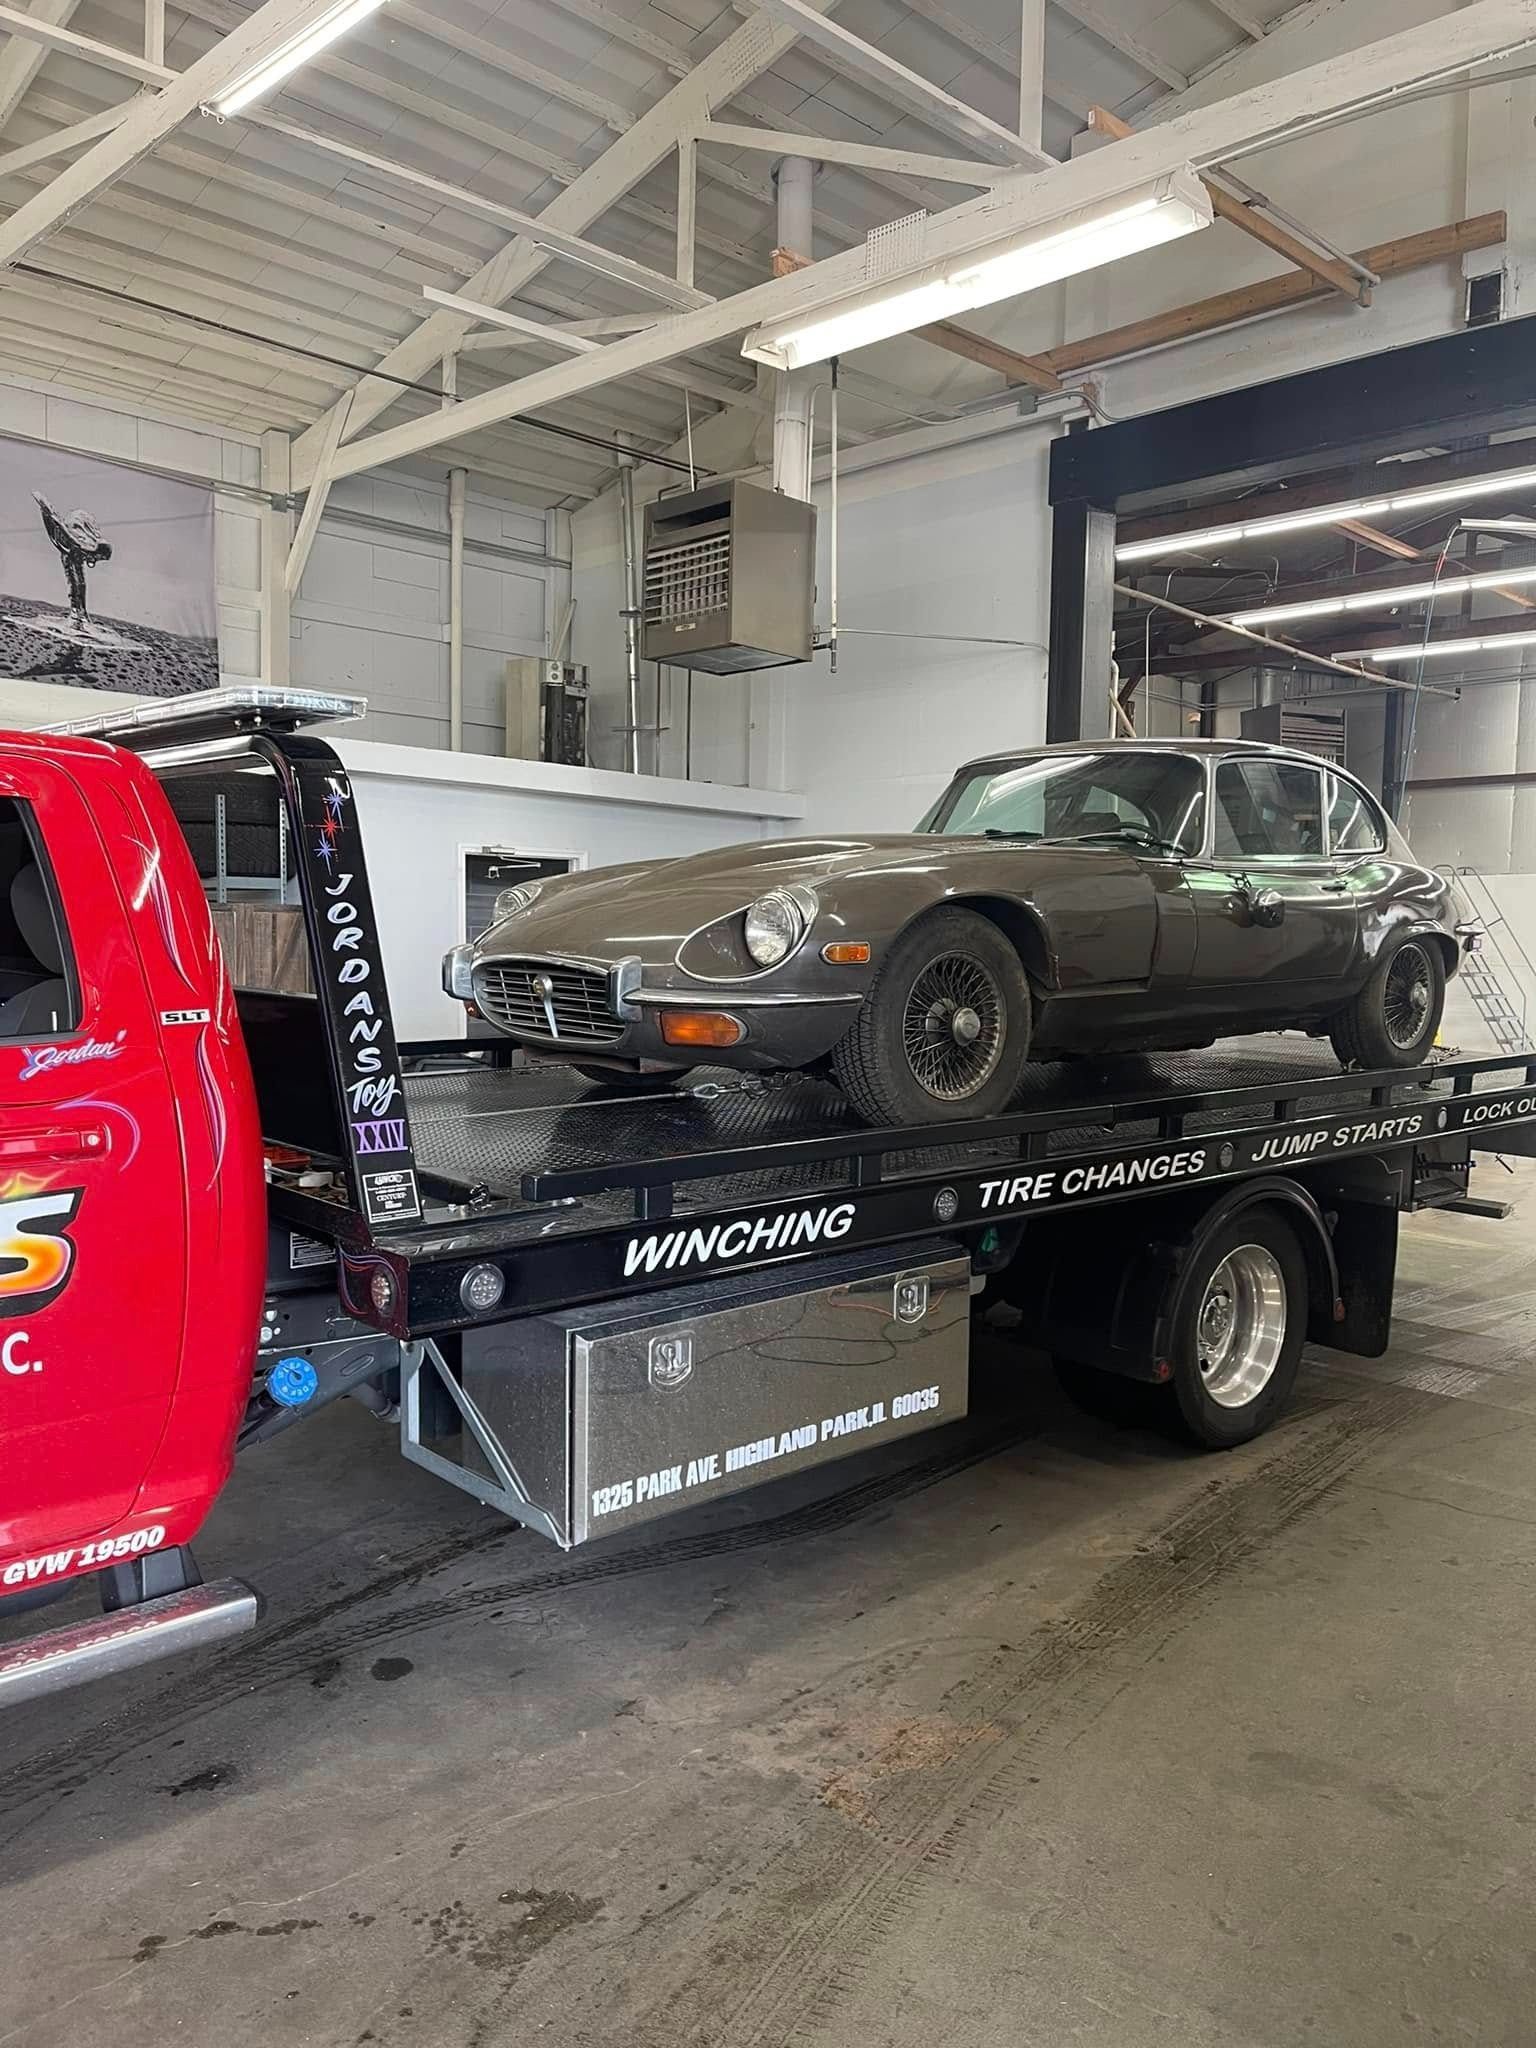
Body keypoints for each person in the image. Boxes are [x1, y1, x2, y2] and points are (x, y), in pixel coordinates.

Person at [32, 491, 112, 628]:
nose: (96, 560)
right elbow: (61, 529)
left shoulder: (85, 545)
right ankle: (76, 612)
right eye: (99, 557)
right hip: (69, 548)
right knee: (75, 582)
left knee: (80, 583)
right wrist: (48, 511)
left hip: (73, 545)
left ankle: (81, 613)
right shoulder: (77, 544)